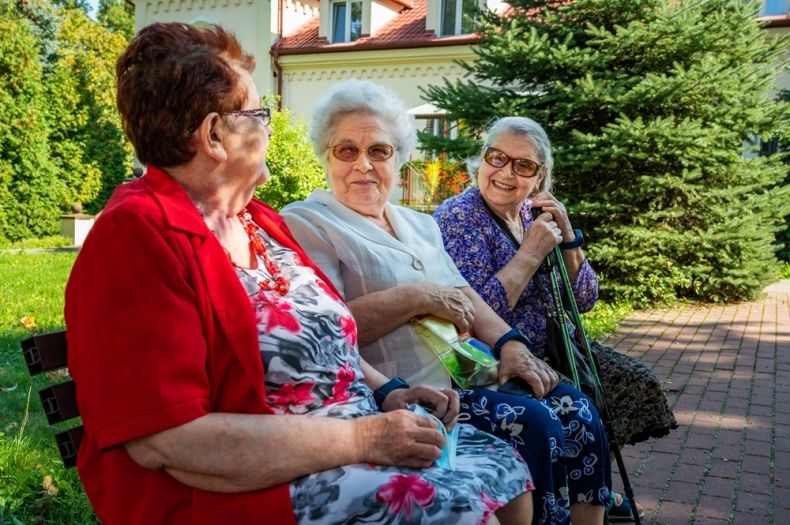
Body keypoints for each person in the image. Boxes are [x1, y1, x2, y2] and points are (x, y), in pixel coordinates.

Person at [64, 24, 534, 525]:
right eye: (259, 114)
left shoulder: (257, 221)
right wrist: (365, 436)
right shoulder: (138, 237)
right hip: (237, 486)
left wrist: (387, 394)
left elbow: (331, 339)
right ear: (214, 135)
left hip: (333, 437)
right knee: (452, 502)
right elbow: (171, 441)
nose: (269, 127)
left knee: (503, 468)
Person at [282, 79, 611, 525]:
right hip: (411, 392)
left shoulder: (417, 223)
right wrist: (418, 297)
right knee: (536, 422)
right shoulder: (307, 222)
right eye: (346, 151)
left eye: (379, 151)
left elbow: (468, 296)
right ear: (326, 155)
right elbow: (327, 329)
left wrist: (511, 344)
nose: (364, 165)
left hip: (472, 372)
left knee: (577, 409)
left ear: (399, 157)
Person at [433, 116, 679, 518]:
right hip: (498, 359)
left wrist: (568, 240)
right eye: (497, 157)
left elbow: (585, 298)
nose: (505, 172)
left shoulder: (535, 214)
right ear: (481, 159)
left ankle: (591, 490)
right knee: (579, 411)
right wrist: (529, 254)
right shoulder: (459, 217)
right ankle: (579, 496)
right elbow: (473, 313)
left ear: (540, 176)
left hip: (558, 347)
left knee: (635, 384)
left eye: (523, 165)